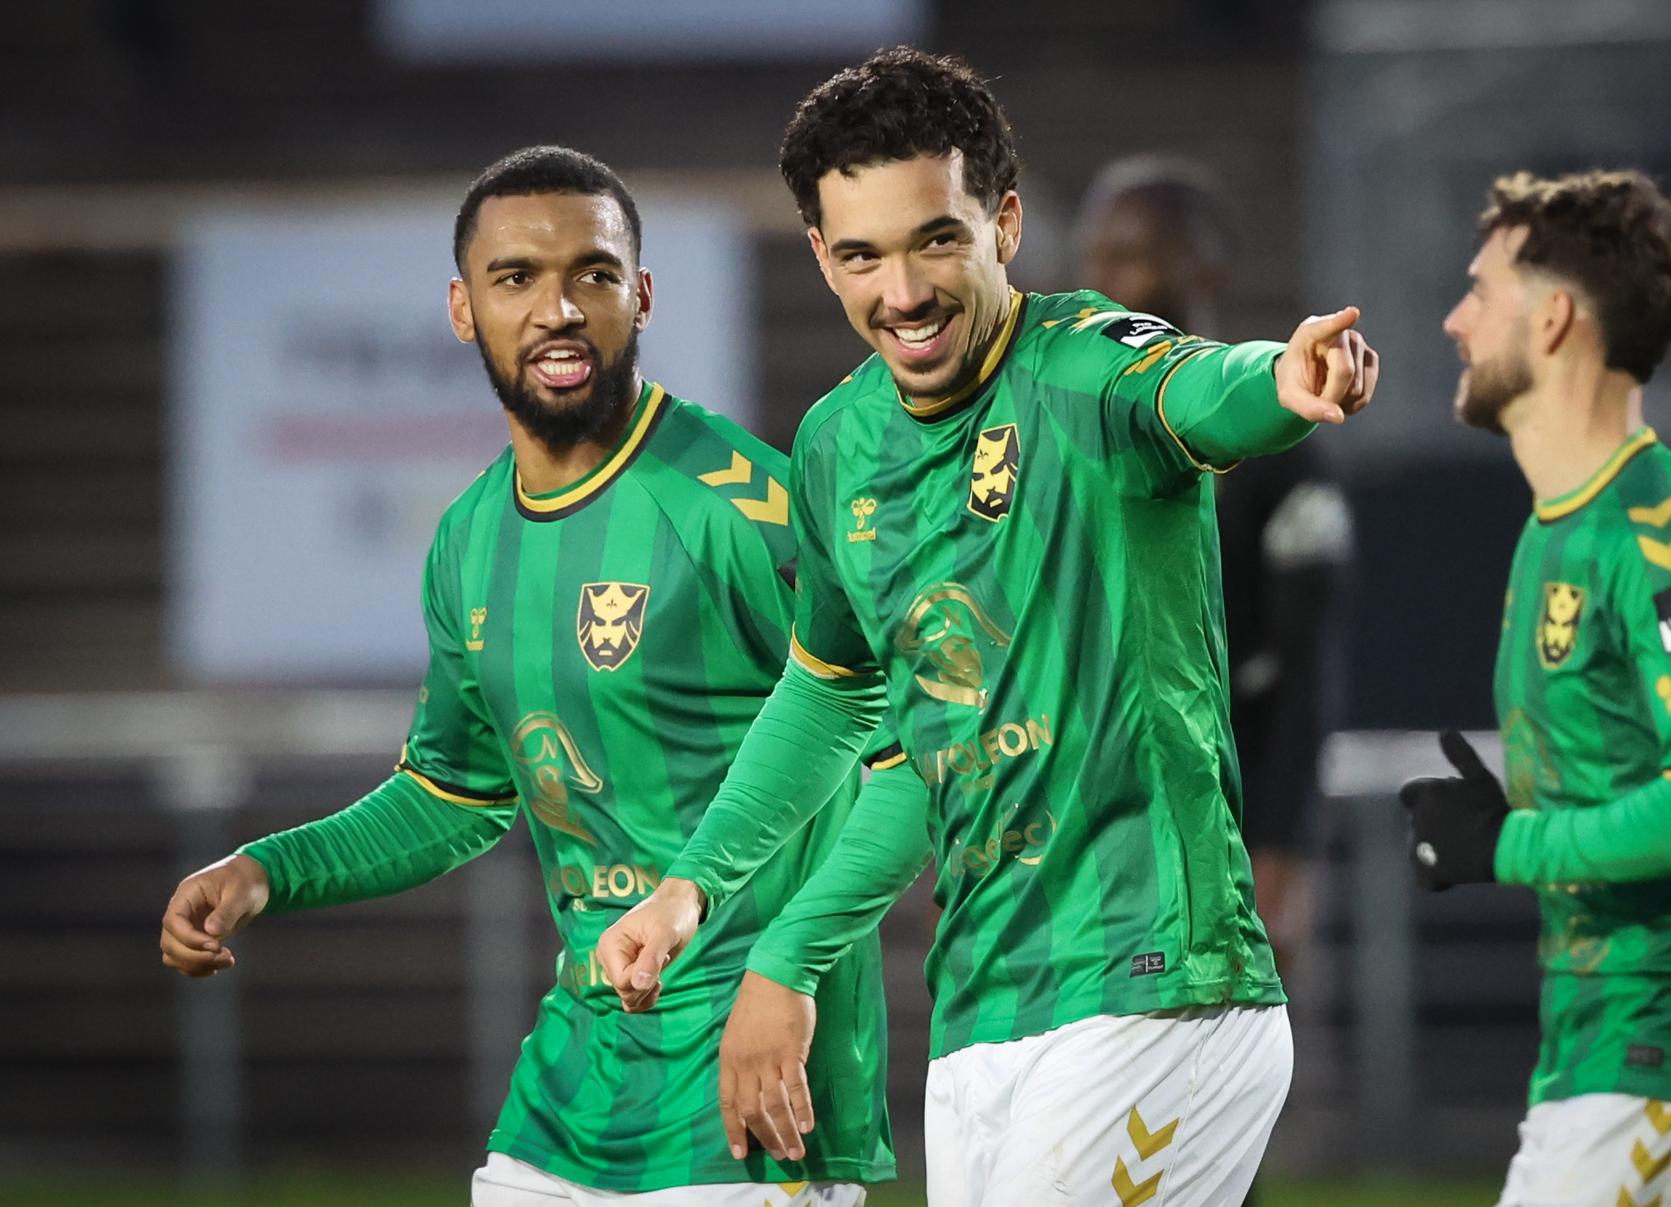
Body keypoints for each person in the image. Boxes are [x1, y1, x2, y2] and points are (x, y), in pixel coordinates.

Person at [595, 48, 1379, 1207]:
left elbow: (1202, 386)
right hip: (981, 1009)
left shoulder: (1085, 364)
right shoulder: (835, 445)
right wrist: (694, 885)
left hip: (1155, 982)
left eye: (935, 242)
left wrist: (1288, 375)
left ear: (1004, 224)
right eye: (860, 254)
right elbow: (832, 690)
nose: (900, 292)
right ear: (819, 254)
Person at [156, 145, 915, 1206]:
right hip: (569, 1096)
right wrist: (264, 868)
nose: (559, 307)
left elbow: (907, 762)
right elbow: (452, 792)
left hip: (749, 1096)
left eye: (593, 275)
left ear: (640, 294)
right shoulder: (467, 538)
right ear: (464, 310)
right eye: (517, 278)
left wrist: (789, 969)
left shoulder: (747, 511)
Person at [1399, 168, 1671, 1207]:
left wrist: (1511, 844)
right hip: (1604, 1037)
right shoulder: (1561, 528)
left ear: (1551, 320)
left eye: (1480, 291)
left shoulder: (1659, 534)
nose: (1455, 320)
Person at [1077, 154, 1353, 977]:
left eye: (1131, 256)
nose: (1103, 280)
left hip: (1219, 819)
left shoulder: (1275, 439)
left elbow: (1306, 668)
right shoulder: (1058, 428)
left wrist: (1281, 849)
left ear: (1207, 267)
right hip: (1088, 821)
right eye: (1097, 257)